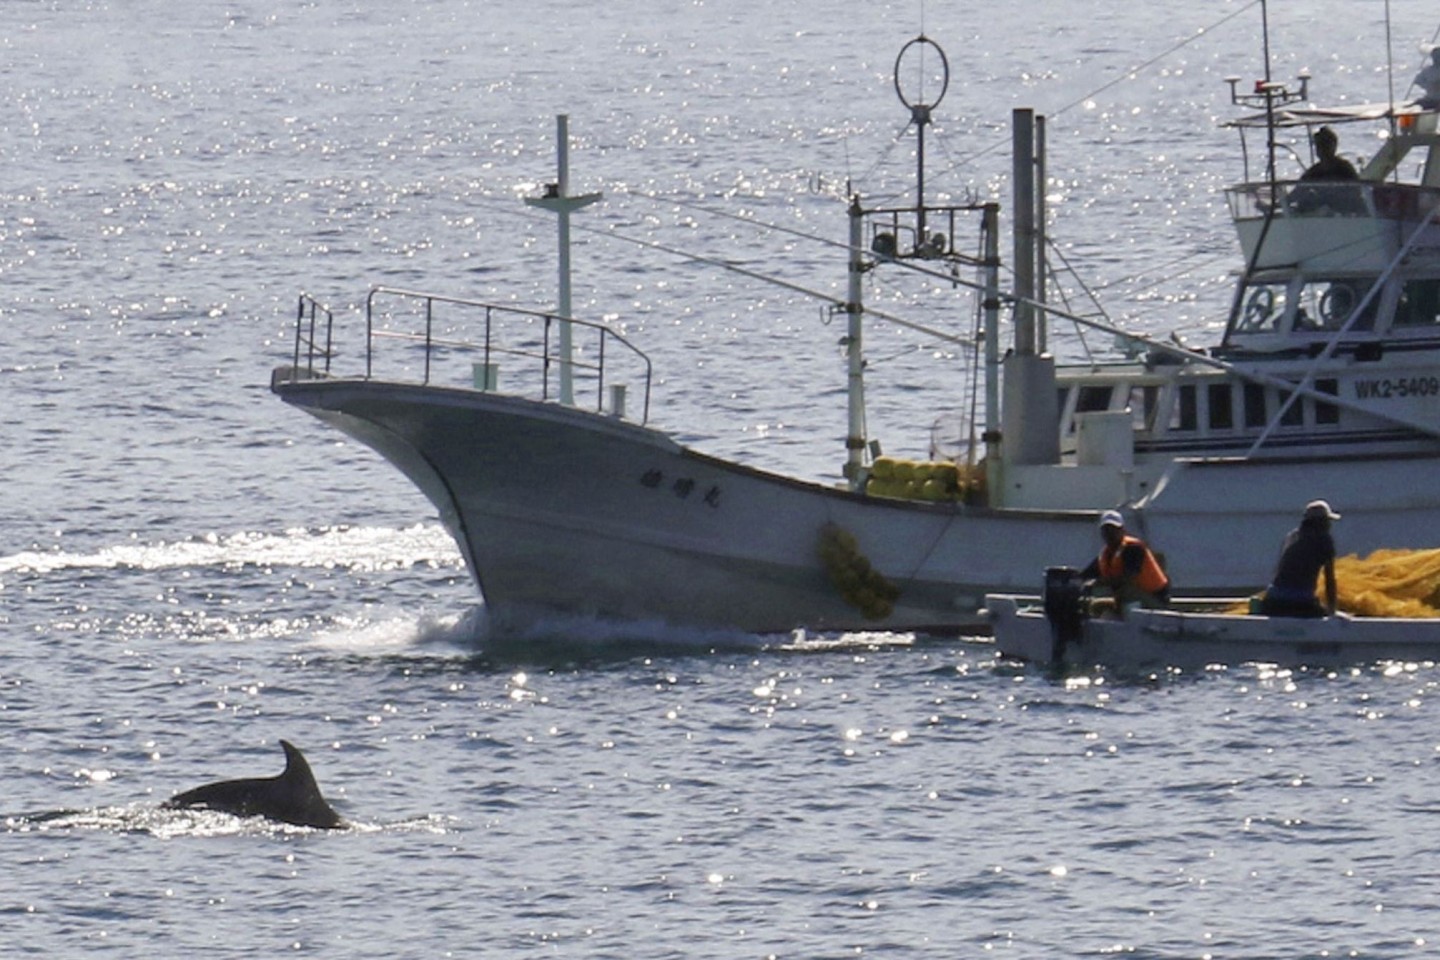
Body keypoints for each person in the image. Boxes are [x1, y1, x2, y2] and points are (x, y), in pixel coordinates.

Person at [1081, 510, 1170, 617]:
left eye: (1114, 529)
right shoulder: (1106, 554)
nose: (1110, 534)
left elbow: (1128, 577)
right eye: (1106, 530)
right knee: (1096, 606)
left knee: (1126, 591)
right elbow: (1086, 574)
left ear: (1122, 530)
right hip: (1132, 600)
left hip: (1155, 601)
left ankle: (1131, 624)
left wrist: (1097, 582)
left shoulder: (1133, 548)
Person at [1259, 500, 1340, 618]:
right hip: (1300, 601)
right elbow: (1330, 579)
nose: (1329, 525)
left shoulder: (1291, 536)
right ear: (1321, 522)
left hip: (1273, 599)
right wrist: (1332, 611)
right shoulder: (1324, 539)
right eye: (1327, 521)